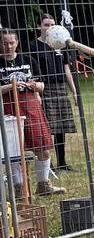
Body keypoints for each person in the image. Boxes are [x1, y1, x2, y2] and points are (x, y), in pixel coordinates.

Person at [0, 29, 65, 198]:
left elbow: (42, 85)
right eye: (5, 43)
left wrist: (34, 86)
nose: (8, 46)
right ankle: (19, 189)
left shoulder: (28, 60)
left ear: (17, 43)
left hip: (30, 106)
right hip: (8, 108)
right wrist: (13, 85)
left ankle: (43, 184)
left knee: (42, 147)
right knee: (14, 151)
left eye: (11, 43)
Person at [28, 14, 78, 171]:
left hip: (60, 87)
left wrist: (74, 91)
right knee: (46, 126)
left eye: (52, 24)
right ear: (38, 27)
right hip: (44, 87)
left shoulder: (59, 44)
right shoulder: (33, 46)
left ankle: (62, 162)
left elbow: (66, 68)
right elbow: (32, 71)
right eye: (45, 24)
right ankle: (47, 164)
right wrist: (36, 91)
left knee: (61, 126)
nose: (49, 27)